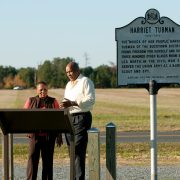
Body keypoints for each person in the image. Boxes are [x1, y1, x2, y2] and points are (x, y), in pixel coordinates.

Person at [60, 62, 95, 180]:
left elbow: (90, 101)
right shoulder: (68, 85)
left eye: (71, 71)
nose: (69, 74)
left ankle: (79, 178)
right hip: (69, 118)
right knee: (71, 151)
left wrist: (73, 103)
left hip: (82, 117)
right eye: (67, 72)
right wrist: (64, 106)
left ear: (77, 70)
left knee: (78, 150)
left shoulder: (86, 81)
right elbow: (66, 101)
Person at [24, 81, 62, 180]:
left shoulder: (53, 101)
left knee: (48, 162)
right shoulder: (30, 100)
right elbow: (23, 117)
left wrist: (59, 135)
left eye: (45, 89)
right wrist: (28, 130)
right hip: (34, 137)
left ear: (47, 90)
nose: (43, 91)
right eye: (40, 89)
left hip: (49, 138)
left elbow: (59, 119)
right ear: (37, 90)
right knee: (32, 161)